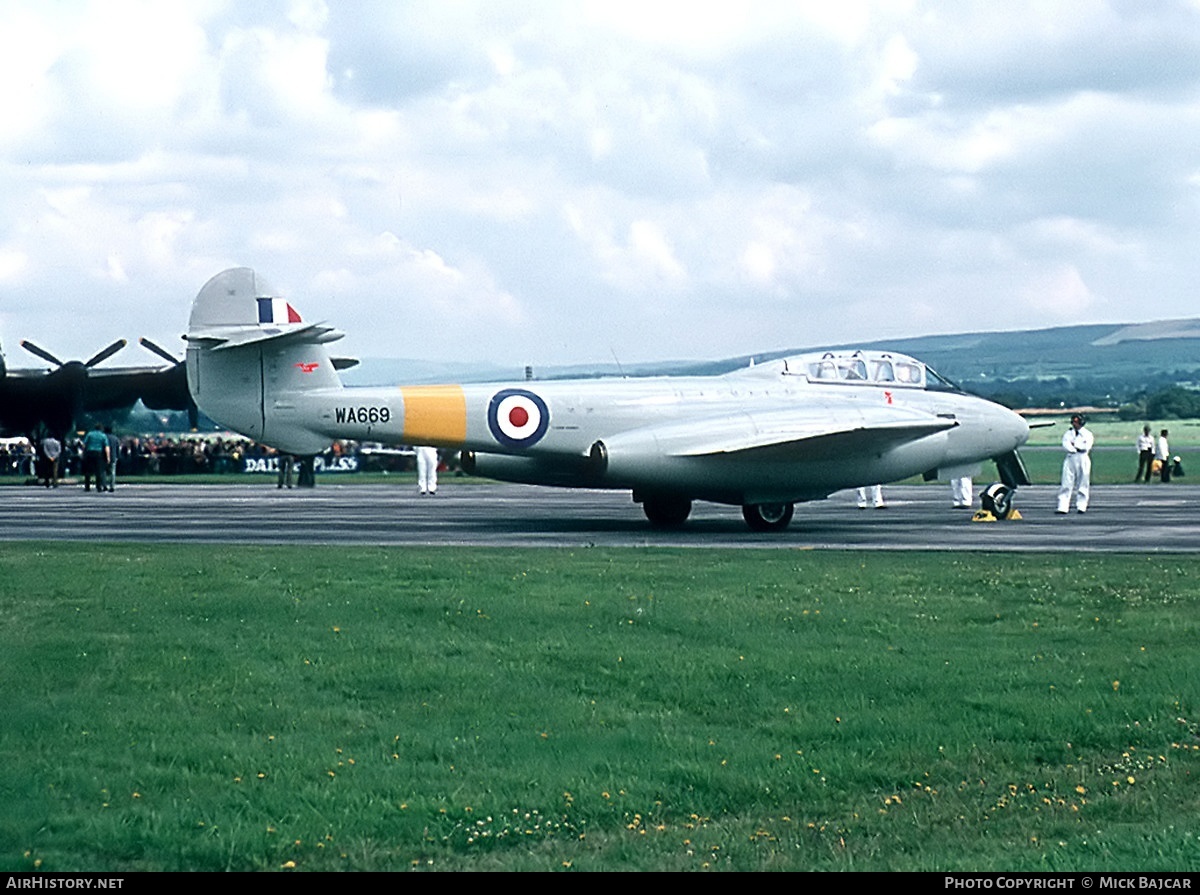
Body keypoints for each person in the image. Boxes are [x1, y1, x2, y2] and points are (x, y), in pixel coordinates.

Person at [1057, 413, 1093, 514]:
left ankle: (1082, 506)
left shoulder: (1087, 434)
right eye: (1073, 422)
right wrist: (1074, 447)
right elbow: (1066, 444)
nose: (1074, 424)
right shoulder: (1068, 433)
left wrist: (1076, 445)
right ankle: (1063, 506)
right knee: (1066, 482)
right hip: (1071, 457)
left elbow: (1086, 446)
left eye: (1076, 422)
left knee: (1083, 482)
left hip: (1083, 457)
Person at [81, 423, 109, 493]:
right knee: (98, 471)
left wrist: (83, 453)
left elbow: (84, 444)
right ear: (101, 429)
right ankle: (98, 487)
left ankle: (87, 486)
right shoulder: (103, 436)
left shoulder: (90, 434)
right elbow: (106, 447)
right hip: (98, 454)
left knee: (88, 471)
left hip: (89, 453)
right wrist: (108, 457)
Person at [104, 425, 120, 492]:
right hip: (113, 456)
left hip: (104, 456)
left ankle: (104, 485)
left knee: (103, 471)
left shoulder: (104, 437)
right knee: (112, 472)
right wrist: (117, 456)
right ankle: (112, 486)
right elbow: (117, 448)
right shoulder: (115, 438)